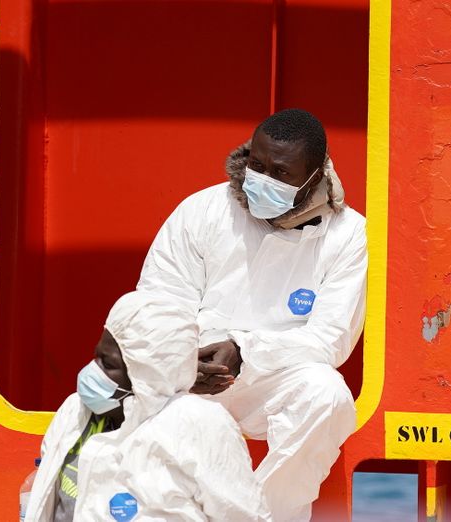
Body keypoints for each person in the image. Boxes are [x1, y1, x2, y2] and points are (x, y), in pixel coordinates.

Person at [136, 108, 367, 521]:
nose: (261, 179)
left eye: (281, 173)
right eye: (256, 165)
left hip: (274, 379)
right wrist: (182, 360)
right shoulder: (203, 210)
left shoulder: (348, 235)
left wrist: (245, 351)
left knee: (328, 395)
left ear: (315, 176)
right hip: (190, 371)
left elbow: (329, 340)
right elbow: (159, 300)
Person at [23, 291, 271, 522]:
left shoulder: (198, 424)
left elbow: (242, 515)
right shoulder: (75, 410)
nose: (92, 371)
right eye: (96, 356)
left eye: (107, 364)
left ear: (147, 375)